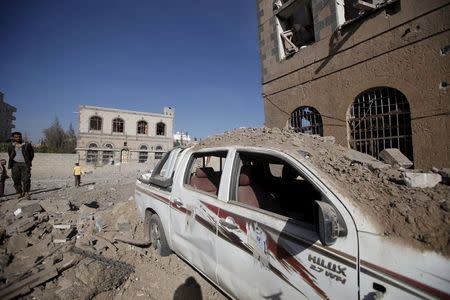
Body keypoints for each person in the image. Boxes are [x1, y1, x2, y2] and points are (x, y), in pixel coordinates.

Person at [7, 132, 34, 199]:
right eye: (16, 137)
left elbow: (31, 153)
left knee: (26, 179)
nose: (18, 138)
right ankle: (19, 192)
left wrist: (28, 161)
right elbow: (10, 154)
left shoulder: (26, 144)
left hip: (25, 164)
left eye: (19, 137)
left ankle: (26, 192)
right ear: (13, 137)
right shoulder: (11, 145)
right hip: (15, 164)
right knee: (16, 179)